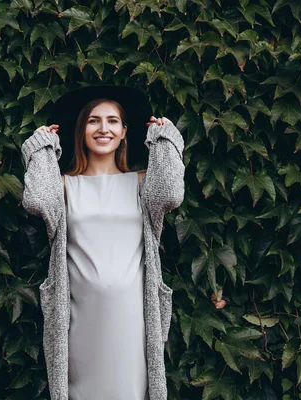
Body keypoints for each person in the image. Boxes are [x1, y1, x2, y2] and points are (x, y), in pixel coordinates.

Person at [21, 85, 185, 400]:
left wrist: (164, 139)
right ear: (80, 130)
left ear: (125, 132)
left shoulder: (141, 183)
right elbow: (37, 200)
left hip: (133, 321)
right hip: (79, 322)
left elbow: (171, 193)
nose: (103, 128)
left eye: (112, 121)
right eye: (93, 121)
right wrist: (42, 147)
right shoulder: (64, 185)